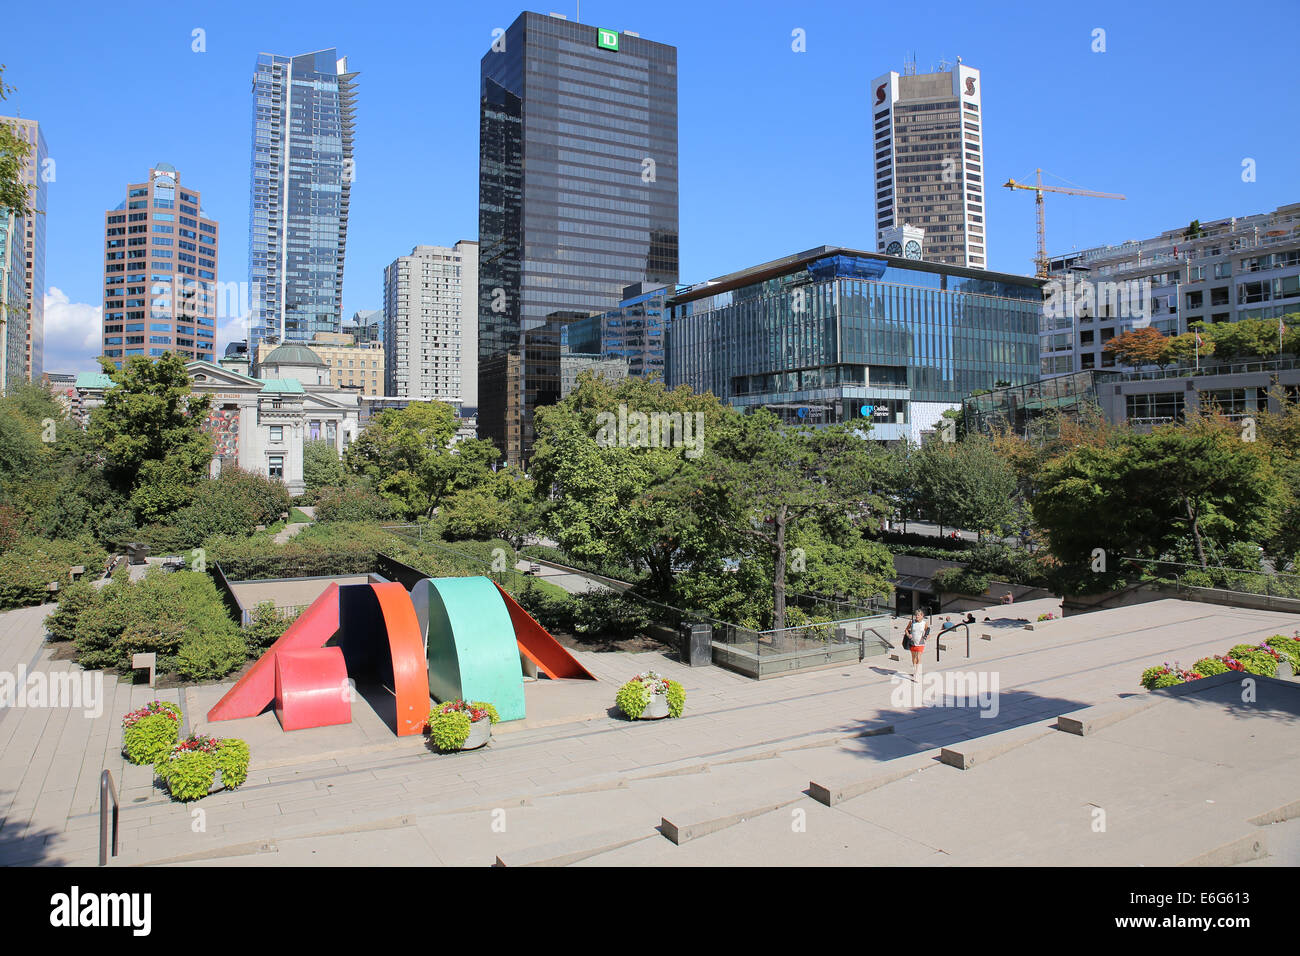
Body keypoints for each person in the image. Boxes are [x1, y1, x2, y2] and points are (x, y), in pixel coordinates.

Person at [902, 609, 930, 682]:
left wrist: (927, 636)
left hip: (920, 643)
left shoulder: (924, 623)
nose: (917, 616)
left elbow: (928, 630)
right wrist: (908, 635)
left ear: (922, 616)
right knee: (913, 658)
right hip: (912, 642)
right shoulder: (912, 622)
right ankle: (915, 672)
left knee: (918, 657)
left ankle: (918, 674)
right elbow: (906, 630)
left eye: (918, 615)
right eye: (916, 615)